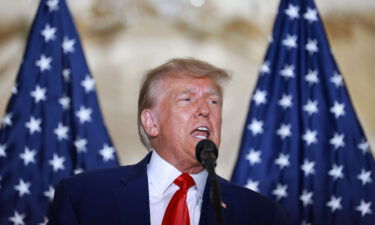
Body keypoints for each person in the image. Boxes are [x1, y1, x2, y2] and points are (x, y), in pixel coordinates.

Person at [48, 58, 288, 225]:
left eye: (213, 102)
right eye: (187, 99)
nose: (205, 110)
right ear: (151, 122)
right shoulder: (85, 197)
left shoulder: (259, 213)